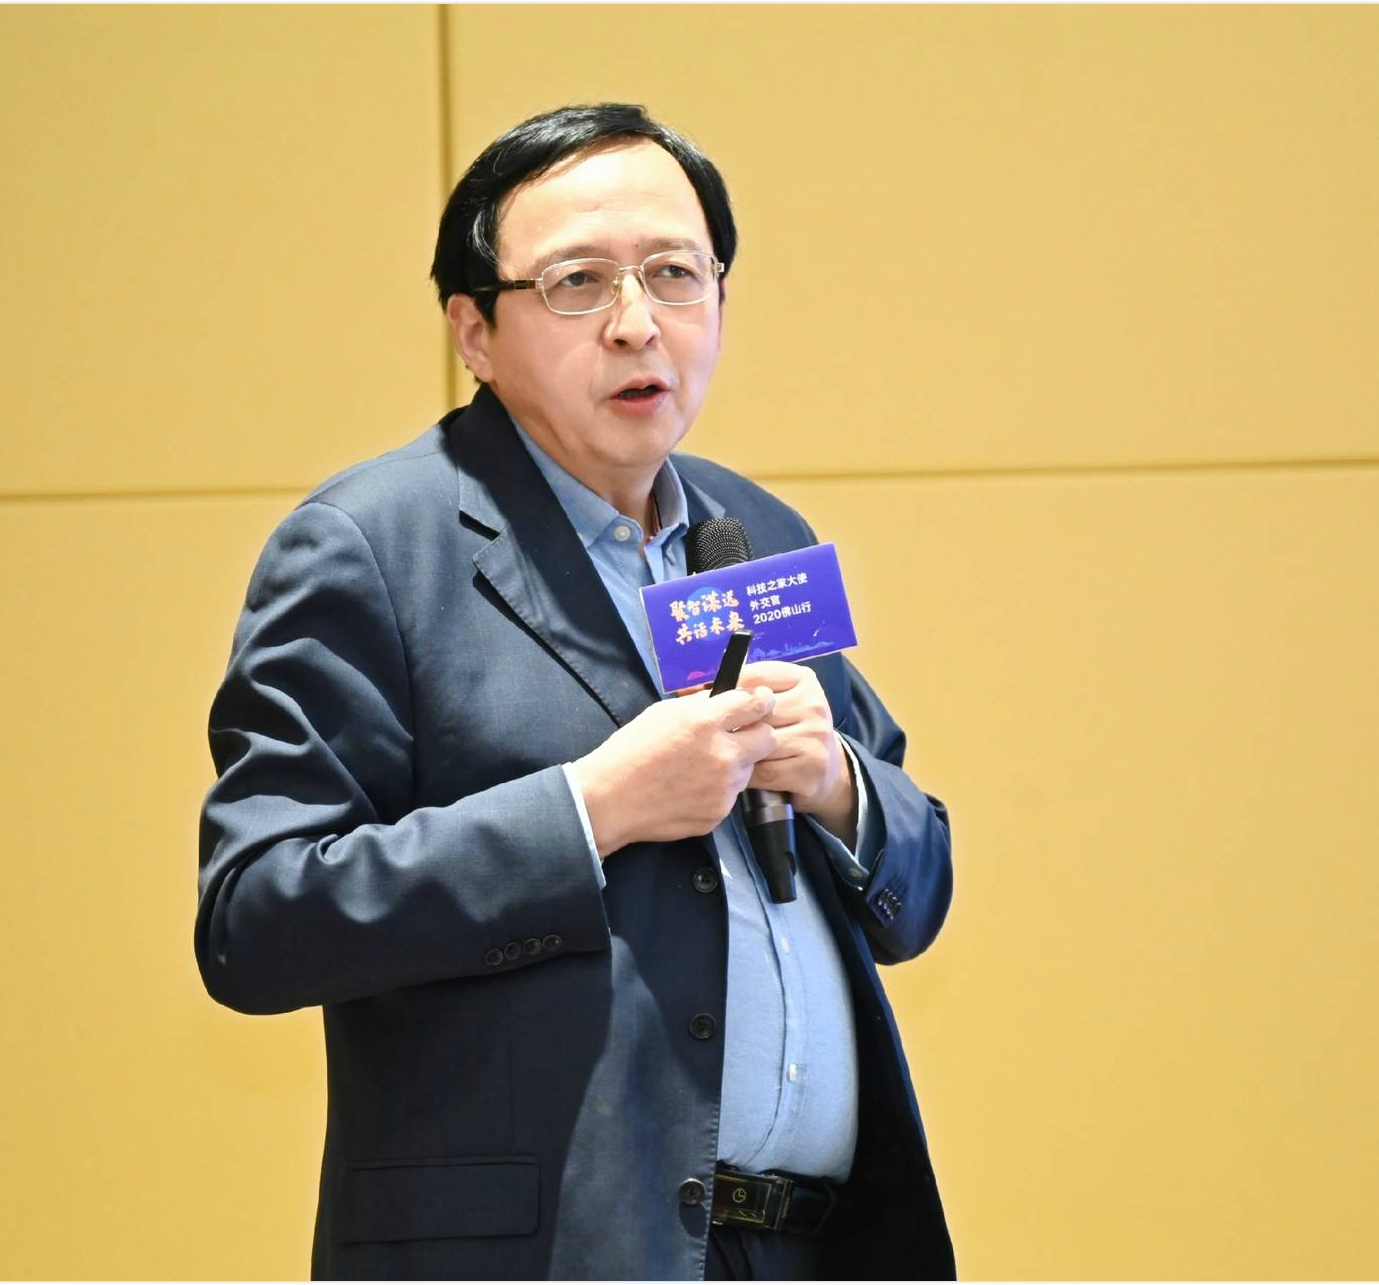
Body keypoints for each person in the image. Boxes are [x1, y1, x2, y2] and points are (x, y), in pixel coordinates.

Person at [196, 103, 956, 1279]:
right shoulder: (373, 547)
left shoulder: (753, 534)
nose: (637, 322)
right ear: (474, 330)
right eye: (577, 283)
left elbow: (920, 881)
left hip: (809, 1251)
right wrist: (589, 810)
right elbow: (258, 919)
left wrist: (838, 784)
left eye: (675, 273)